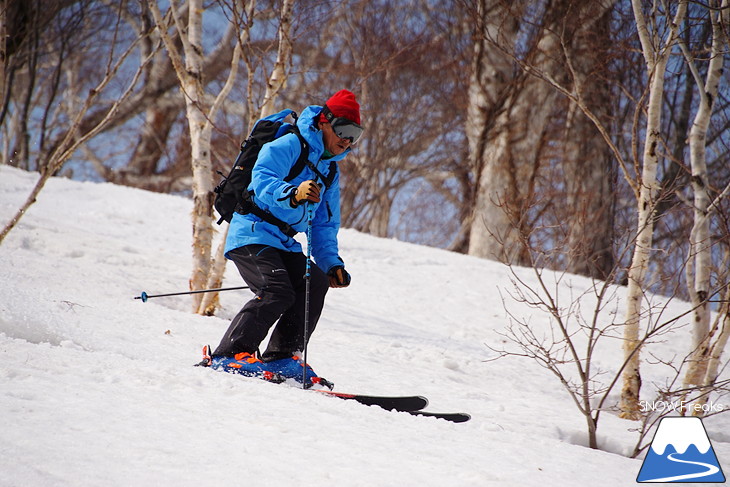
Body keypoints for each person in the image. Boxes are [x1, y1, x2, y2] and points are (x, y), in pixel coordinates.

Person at [207, 90, 363, 385]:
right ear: (324, 122)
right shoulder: (292, 143)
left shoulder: (329, 171)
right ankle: (229, 353)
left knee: (314, 282)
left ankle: (281, 356)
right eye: (344, 128)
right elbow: (261, 176)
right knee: (277, 289)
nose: (348, 139)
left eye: (355, 133)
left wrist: (331, 264)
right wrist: (292, 194)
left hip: (283, 240)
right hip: (252, 230)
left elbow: (324, 225)